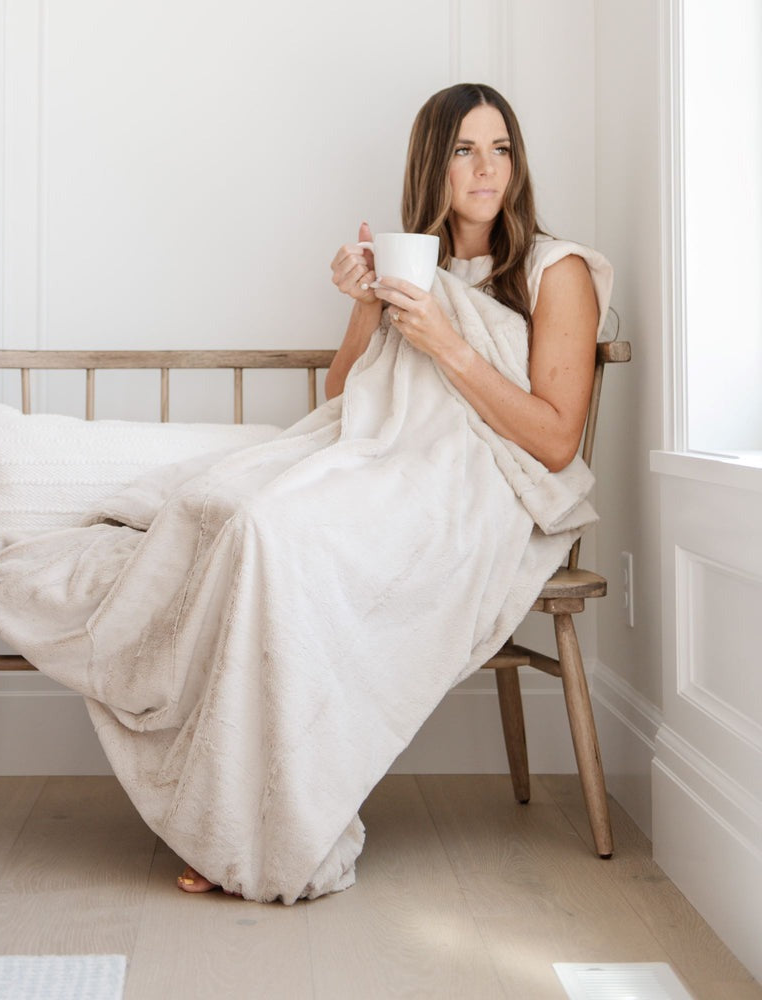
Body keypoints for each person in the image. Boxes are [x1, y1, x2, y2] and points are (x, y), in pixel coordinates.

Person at [176, 82, 605, 894]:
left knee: (288, 537)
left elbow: (554, 442)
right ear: (431, 165)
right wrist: (365, 307)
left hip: (480, 487)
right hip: (386, 460)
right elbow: (343, 403)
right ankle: (240, 810)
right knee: (250, 522)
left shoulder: (559, 270)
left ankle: (275, 816)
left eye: (501, 148)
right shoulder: (417, 265)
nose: (487, 169)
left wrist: (448, 342)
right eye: (464, 150)